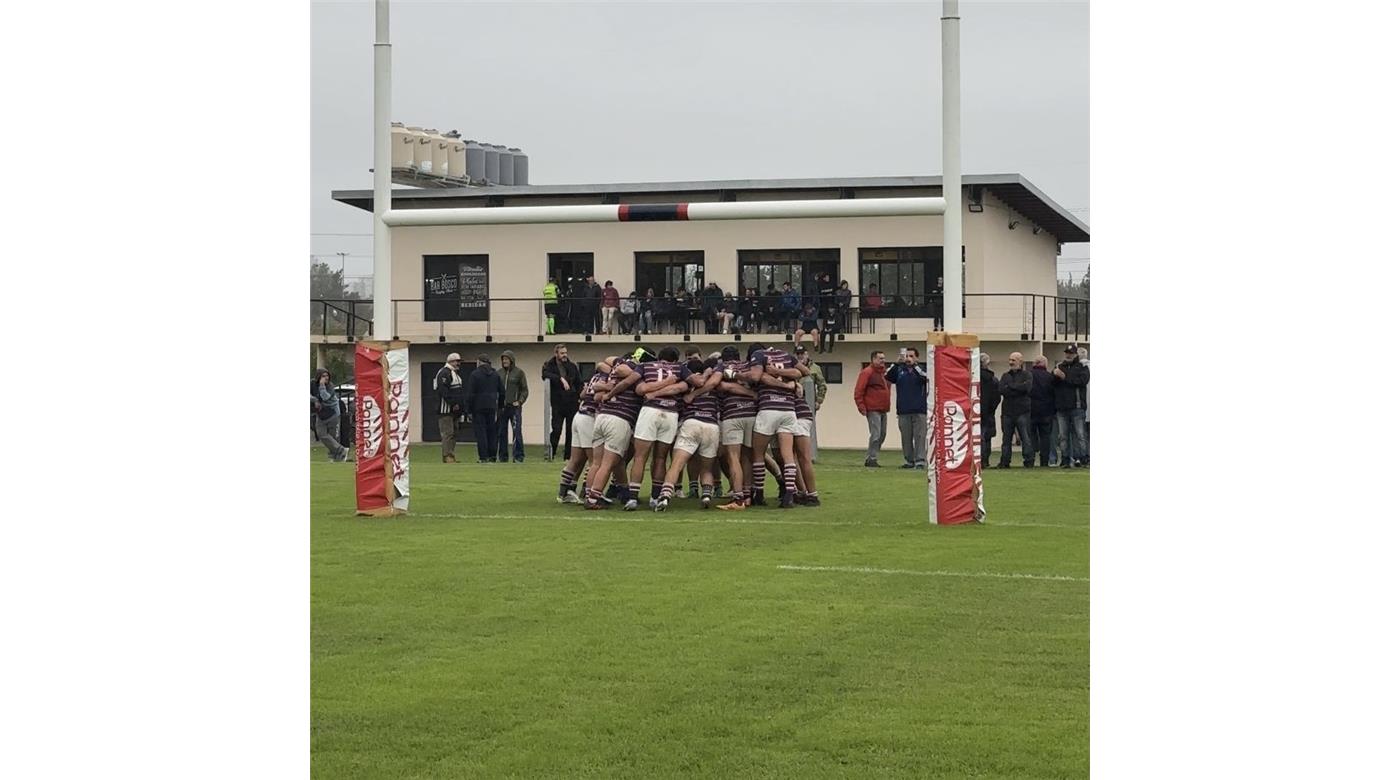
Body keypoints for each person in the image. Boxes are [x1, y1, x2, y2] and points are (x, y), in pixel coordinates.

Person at [626, 346, 693, 510]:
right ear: (675, 359)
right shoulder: (679, 368)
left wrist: (655, 390)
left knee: (640, 456)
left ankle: (633, 498)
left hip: (650, 410)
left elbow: (640, 389)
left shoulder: (645, 366)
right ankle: (655, 498)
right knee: (661, 458)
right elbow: (695, 382)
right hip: (670, 412)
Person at [656, 355, 724, 511]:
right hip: (711, 425)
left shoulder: (687, 384)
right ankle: (706, 495)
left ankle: (665, 496)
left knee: (676, 464)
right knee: (706, 468)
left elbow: (681, 402)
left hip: (691, 423)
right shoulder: (714, 386)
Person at [746, 343, 807, 508]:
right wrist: (789, 381)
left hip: (769, 408)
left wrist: (772, 373)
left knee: (758, 453)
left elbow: (757, 377)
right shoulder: (786, 357)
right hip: (788, 410)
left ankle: (759, 493)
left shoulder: (759, 356)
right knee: (788, 455)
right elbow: (802, 371)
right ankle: (789, 494)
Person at [584, 350, 646, 509]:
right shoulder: (636, 372)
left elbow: (606, 364)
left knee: (596, 463)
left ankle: (589, 495)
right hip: (619, 419)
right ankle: (593, 499)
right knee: (607, 464)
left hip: (602, 416)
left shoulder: (614, 371)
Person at [556, 357, 613, 503]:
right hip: (589, 418)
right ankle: (588, 492)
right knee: (594, 460)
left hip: (579, 415)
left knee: (575, 459)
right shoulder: (607, 378)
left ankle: (564, 492)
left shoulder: (595, 377)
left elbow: (582, 394)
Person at [715, 345, 759, 510]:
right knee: (747, 457)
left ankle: (738, 497)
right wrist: (751, 394)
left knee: (733, 457)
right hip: (751, 413)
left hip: (732, 414)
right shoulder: (749, 366)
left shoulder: (722, 367)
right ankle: (748, 496)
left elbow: (722, 386)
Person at [886, 347, 929, 469]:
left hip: (919, 410)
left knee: (919, 437)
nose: (908, 358)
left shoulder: (921, 369)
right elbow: (888, 376)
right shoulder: (900, 370)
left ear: (916, 358)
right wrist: (896, 363)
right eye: (907, 356)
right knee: (906, 437)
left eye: (911, 356)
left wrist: (915, 366)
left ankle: (920, 461)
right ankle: (909, 461)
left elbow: (925, 378)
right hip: (903, 410)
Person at [541, 344, 581, 461]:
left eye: (565, 353)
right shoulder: (549, 366)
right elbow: (545, 374)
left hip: (572, 402)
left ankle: (568, 456)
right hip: (557, 403)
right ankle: (551, 453)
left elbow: (578, 383)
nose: (565, 355)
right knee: (556, 429)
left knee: (570, 431)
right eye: (562, 353)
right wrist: (560, 379)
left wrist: (579, 397)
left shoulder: (572, 366)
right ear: (556, 354)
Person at [1052, 344, 1090, 468]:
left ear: (1075, 355)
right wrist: (1055, 375)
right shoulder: (1059, 366)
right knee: (1063, 436)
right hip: (1062, 407)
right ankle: (1065, 459)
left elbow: (1081, 381)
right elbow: (1052, 383)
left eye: (1071, 353)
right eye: (1067, 353)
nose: (1068, 355)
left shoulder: (1082, 367)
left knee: (1080, 434)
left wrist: (1065, 377)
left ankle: (1084, 458)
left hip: (1077, 406)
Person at [996, 352, 1035, 468]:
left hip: (1022, 411)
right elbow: (1001, 390)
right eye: (1010, 360)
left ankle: (1029, 461)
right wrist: (1018, 387)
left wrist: (1011, 386)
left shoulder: (1027, 375)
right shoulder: (1005, 376)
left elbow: (1027, 388)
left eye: (1013, 360)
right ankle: (1005, 461)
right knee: (1006, 439)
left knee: (1025, 438)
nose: (1011, 362)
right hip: (1007, 412)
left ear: (1020, 361)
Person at [854, 350, 891, 467]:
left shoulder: (883, 373)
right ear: (874, 359)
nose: (883, 361)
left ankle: (872, 456)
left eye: (883, 358)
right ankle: (871, 458)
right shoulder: (867, 372)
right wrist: (861, 406)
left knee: (882, 434)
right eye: (880, 358)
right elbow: (859, 390)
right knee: (876, 434)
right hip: (873, 408)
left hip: (883, 408)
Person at [464, 354, 504, 463]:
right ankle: (492, 456)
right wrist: (500, 407)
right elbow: (502, 392)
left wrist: (468, 409)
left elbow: (470, 393)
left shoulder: (475, 374)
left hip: (478, 408)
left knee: (481, 433)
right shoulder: (495, 375)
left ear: (479, 362)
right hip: (491, 407)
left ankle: (483, 457)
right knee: (492, 432)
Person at [495, 350, 529, 463]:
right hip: (502, 408)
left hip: (514, 408)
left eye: (506, 359)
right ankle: (503, 457)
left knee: (517, 431)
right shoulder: (499, 373)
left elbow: (525, 390)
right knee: (501, 432)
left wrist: (520, 401)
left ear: (511, 360)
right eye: (503, 359)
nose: (504, 361)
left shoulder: (519, 373)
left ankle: (518, 456)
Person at [311, 368, 350, 462]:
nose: (326, 378)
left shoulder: (330, 386)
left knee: (333, 437)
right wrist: (314, 400)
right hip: (321, 413)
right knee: (321, 434)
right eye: (323, 376)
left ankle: (336, 457)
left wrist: (322, 385)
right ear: (318, 376)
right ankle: (341, 450)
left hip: (332, 413)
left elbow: (325, 397)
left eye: (327, 376)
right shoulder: (312, 383)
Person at [432, 353, 466, 463]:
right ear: (450, 361)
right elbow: (443, 391)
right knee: (448, 433)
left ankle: (451, 454)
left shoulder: (454, 374)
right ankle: (447, 456)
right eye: (457, 361)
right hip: (445, 410)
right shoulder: (444, 373)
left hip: (454, 410)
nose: (459, 364)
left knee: (454, 433)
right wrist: (453, 403)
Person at [1028, 355, 1058, 467]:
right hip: (1046, 411)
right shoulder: (1050, 377)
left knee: (1031, 435)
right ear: (1045, 364)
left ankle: (1030, 459)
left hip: (1031, 410)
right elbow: (1054, 393)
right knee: (1045, 437)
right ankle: (1044, 460)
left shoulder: (1029, 375)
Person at [980, 352, 1000, 468]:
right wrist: (991, 409)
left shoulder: (973, 378)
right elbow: (997, 398)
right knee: (987, 437)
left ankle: (980, 459)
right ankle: (985, 460)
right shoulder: (993, 379)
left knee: (979, 437)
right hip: (988, 413)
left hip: (975, 411)